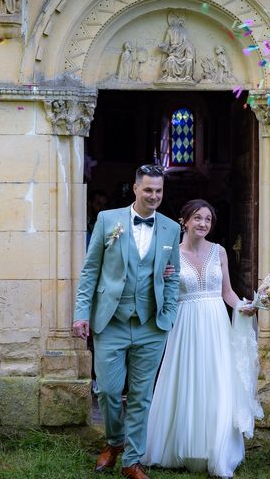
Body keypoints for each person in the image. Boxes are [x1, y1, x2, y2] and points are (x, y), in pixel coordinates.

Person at [73, 164, 181, 479]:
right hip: (112, 320)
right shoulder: (109, 221)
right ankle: (114, 442)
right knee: (107, 390)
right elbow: (90, 271)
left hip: (152, 325)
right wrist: (82, 312)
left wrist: (169, 314)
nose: (154, 196)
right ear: (135, 188)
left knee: (140, 394)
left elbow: (173, 277)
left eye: (159, 191)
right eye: (148, 189)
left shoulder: (171, 229)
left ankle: (132, 460)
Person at [142, 199, 263, 478]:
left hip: (215, 324)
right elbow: (155, 289)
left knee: (217, 382)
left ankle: (216, 450)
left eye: (208, 219)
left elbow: (227, 292)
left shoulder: (219, 252)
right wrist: (161, 278)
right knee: (186, 381)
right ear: (184, 220)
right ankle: (181, 447)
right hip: (185, 325)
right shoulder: (169, 253)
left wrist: (242, 306)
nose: (203, 224)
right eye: (197, 218)